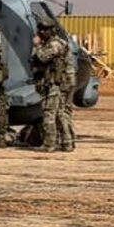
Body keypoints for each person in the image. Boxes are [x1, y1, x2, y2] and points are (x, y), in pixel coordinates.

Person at [31, 23, 77, 153]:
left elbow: (42, 57)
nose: (41, 32)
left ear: (51, 31)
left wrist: (36, 45)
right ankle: (67, 143)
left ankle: (49, 144)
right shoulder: (54, 43)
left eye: (45, 30)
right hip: (60, 82)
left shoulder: (55, 44)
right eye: (40, 30)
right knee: (61, 113)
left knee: (49, 112)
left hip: (57, 83)